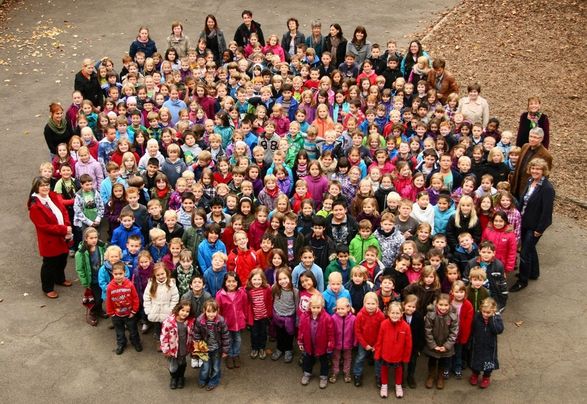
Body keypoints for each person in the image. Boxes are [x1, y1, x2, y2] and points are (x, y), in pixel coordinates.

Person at [509, 158, 554, 292]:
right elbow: (524, 201)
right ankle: (533, 272)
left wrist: (540, 230)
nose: (535, 171)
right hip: (524, 221)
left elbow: (547, 212)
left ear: (543, 171)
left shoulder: (547, 188)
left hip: (534, 226)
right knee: (530, 248)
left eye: (538, 169)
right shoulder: (530, 181)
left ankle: (522, 280)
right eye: (533, 168)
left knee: (525, 253)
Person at [28, 176, 73, 298]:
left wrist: (67, 225)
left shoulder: (52, 196)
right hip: (49, 240)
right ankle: (47, 287)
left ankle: (59, 279)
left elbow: (63, 211)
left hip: (62, 236)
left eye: (47, 185)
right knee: (50, 264)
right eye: (42, 185)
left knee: (62, 259)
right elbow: (44, 227)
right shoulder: (35, 206)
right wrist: (64, 229)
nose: (45, 187)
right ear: (36, 188)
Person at [374, 301, 412, 399]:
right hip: (385, 354)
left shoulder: (406, 327)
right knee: (384, 369)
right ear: (388, 313)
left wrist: (406, 357)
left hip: (398, 356)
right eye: (393, 313)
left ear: (402, 313)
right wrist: (377, 353)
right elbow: (379, 340)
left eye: (397, 313)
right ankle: (384, 385)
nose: (395, 315)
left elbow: (408, 344)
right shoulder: (383, 324)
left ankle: (398, 386)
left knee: (399, 371)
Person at [192, 299, 230, 391]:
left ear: (217, 311)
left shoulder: (221, 321)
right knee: (205, 366)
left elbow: (225, 336)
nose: (211, 314)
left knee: (215, 367)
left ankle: (213, 381)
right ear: (204, 310)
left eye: (214, 311)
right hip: (204, 349)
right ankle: (202, 379)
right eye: (209, 312)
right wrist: (198, 348)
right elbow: (196, 335)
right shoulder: (199, 320)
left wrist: (225, 351)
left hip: (216, 348)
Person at [298, 294, 335, 389]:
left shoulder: (327, 318)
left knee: (324, 361)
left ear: (322, 306)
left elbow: (331, 333)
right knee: (308, 360)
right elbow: (301, 330)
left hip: (322, 345)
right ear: (310, 306)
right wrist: (300, 341)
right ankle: (307, 373)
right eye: (313, 307)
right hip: (309, 343)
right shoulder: (304, 316)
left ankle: (324, 376)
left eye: (318, 307)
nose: (315, 310)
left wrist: (330, 345)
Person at [423, 294, 458, 390]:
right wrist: (433, 345)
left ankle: (440, 377)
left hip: (445, 345)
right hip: (433, 344)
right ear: (436, 304)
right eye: (441, 305)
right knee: (432, 361)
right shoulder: (431, 314)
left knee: (443, 362)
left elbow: (454, 332)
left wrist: (446, 346)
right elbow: (427, 331)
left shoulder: (453, 315)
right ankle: (431, 376)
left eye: (446, 305)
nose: (443, 307)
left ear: (450, 305)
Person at [106, 262, 142, 355]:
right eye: (116, 274)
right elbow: (108, 301)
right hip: (116, 315)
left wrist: (134, 311)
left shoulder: (130, 285)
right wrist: (111, 313)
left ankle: (135, 342)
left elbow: (135, 298)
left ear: (125, 273)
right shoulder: (110, 287)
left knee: (133, 331)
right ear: (112, 274)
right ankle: (121, 344)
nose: (118, 276)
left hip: (130, 314)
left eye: (120, 273)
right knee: (119, 332)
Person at [469, 297, 504, 389]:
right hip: (478, 343)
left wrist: (491, 319)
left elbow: (498, 330)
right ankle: (475, 374)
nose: (485, 314)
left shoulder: (496, 319)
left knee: (488, 362)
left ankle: (486, 377)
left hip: (490, 345)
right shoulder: (477, 316)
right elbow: (472, 328)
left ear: (493, 311)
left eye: (488, 313)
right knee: (476, 360)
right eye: (483, 312)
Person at [509, 127, 553, 200]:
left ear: (541, 139)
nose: (532, 139)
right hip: (517, 185)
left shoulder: (546, 155)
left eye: (535, 137)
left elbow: (545, 175)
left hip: (529, 189)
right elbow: (518, 166)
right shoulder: (525, 146)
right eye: (531, 136)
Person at [75, 227, 107, 325]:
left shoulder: (100, 247)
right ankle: (91, 312)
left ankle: (99, 309)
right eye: (91, 238)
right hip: (91, 280)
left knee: (102, 296)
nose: (94, 240)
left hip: (101, 278)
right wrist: (85, 282)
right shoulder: (81, 253)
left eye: (96, 237)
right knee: (94, 298)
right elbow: (80, 269)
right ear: (86, 238)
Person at [160, 300, 195, 389]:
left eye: (187, 311)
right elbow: (164, 337)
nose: (185, 313)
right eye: (182, 310)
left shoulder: (190, 322)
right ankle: (174, 378)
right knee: (173, 367)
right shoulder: (168, 322)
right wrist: (166, 350)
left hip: (183, 349)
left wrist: (192, 348)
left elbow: (192, 335)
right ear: (178, 309)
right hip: (172, 350)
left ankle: (181, 377)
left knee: (182, 364)